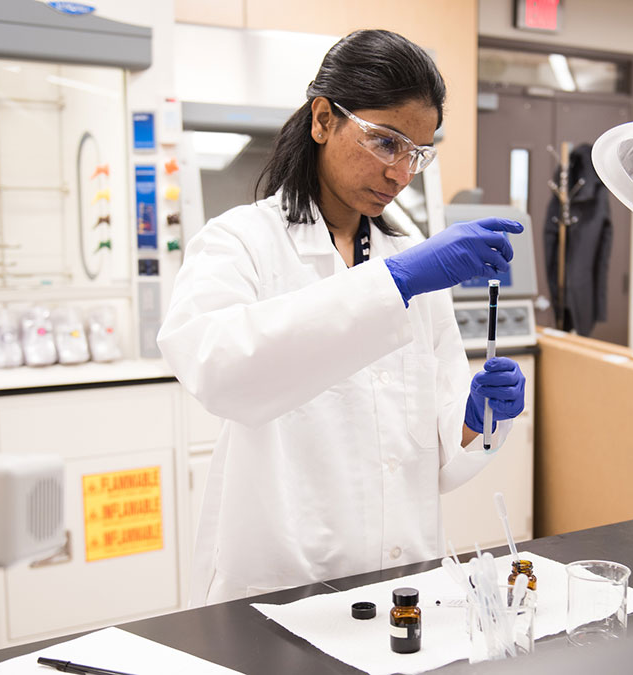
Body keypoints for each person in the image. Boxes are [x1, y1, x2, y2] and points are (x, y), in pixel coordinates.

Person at [157, 29, 527, 605]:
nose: (401, 173)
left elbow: (442, 450)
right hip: (283, 588)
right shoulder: (241, 241)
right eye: (386, 143)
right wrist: (393, 285)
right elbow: (219, 370)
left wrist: (477, 418)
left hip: (406, 580)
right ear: (324, 119)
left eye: (417, 154)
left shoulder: (409, 260)